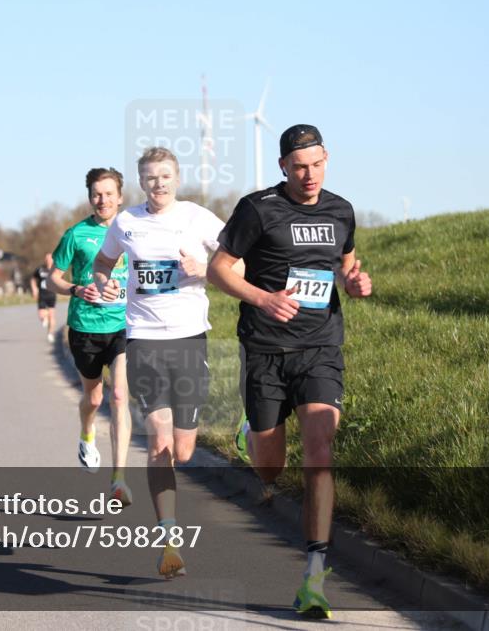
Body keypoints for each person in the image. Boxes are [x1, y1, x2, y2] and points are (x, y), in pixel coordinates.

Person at [207, 124, 372, 617]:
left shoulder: (340, 209)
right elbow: (219, 267)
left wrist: (355, 280)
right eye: (300, 167)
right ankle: (252, 430)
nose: (310, 175)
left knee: (320, 449)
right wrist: (263, 297)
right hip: (265, 349)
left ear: (327, 160)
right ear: (283, 166)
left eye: (318, 164)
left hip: (321, 345)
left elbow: (346, 261)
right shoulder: (257, 209)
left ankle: (314, 578)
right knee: (270, 468)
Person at [92, 146, 234, 579]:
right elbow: (103, 262)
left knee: (184, 449)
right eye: (151, 177)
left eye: (166, 176)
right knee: (158, 442)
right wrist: (106, 285)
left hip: (190, 341)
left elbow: (238, 261)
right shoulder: (127, 222)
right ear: (142, 181)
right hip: (145, 343)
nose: (159, 184)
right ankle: (168, 538)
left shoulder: (199, 218)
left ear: (177, 178)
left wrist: (206, 266)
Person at [48, 167, 133, 505]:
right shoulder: (76, 234)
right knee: (94, 399)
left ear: (120, 197)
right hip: (85, 327)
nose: (103, 200)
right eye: (97, 194)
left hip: (123, 326)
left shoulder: (132, 230)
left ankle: (119, 479)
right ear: (90, 198)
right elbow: (52, 278)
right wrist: (74, 289)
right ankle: (87, 434)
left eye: (109, 193)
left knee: (120, 397)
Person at [31, 253, 57, 343]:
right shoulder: (40, 269)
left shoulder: (55, 270)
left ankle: (50, 334)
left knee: (52, 316)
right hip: (42, 294)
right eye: (46, 259)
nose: (48, 261)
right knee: (41, 314)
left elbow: (60, 280)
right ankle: (44, 318)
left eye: (50, 259)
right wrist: (34, 289)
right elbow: (33, 279)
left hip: (51, 295)